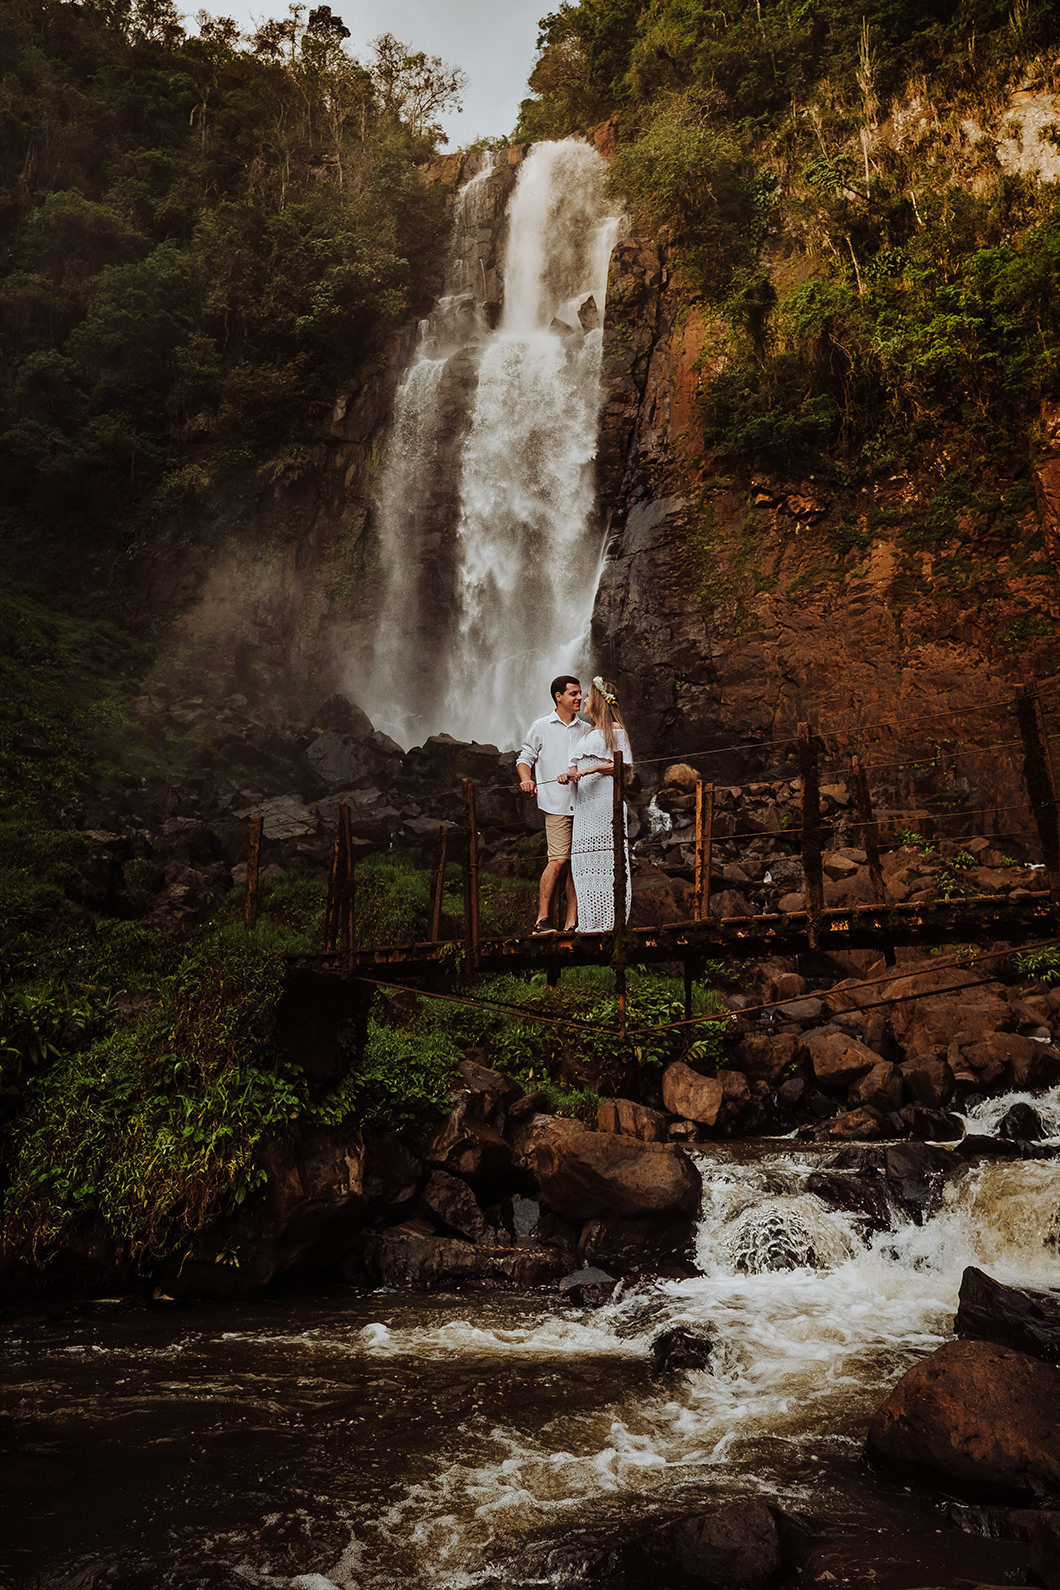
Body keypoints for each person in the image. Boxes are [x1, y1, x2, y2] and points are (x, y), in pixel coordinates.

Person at [563, 675, 633, 933]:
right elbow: (577, 765)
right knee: (583, 860)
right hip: (585, 807)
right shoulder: (589, 731)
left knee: (609, 860)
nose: (584, 699)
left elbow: (621, 765)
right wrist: (570, 773)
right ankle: (590, 921)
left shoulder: (615, 730)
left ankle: (612, 921)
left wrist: (591, 769)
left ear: (600, 701)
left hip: (605, 805)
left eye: (589, 696)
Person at [516, 675, 584, 934]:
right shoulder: (541, 726)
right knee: (558, 861)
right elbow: (525, 758)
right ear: (559, 696)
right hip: (555, 804)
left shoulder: (587, 729)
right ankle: (542, 920)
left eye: (580, 694)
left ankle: (572, 922)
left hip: (583, 804)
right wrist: (526, 779)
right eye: (573, 694)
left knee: (577, 863)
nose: (579, 698)